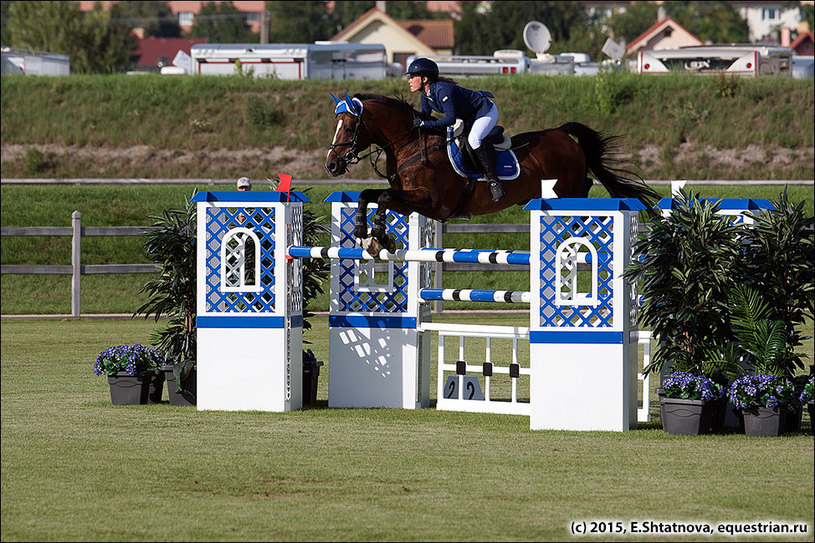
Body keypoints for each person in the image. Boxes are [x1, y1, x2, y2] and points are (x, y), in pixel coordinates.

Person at [405, 57, 505, 202]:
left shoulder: (442, 90)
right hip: (468, 116)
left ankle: (494, 181)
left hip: (484, 111)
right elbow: (425, 118)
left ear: (425, 78)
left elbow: (450, 119)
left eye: (413, 76)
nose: (410, 80)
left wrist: (425, 124)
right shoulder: (425, 97)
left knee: (473, 139)